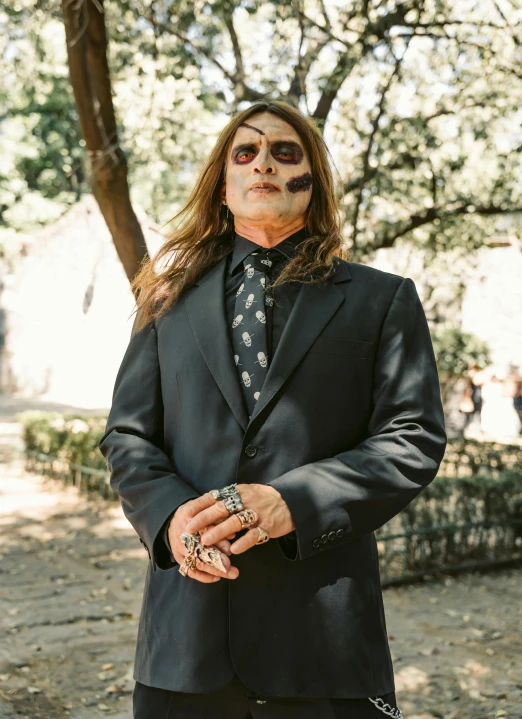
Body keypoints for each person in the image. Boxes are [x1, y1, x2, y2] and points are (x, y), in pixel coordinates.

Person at [99, 100, 447, 719]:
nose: (263, 162)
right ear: (224, 186)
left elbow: (412, 437)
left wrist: (295, 502)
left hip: (326, 644)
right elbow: (127, 436)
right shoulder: (165, 300)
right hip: (186, 643)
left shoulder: (383, 300)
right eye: (245, 152)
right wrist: (174, 520)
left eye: (285, 152)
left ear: (312, 184)